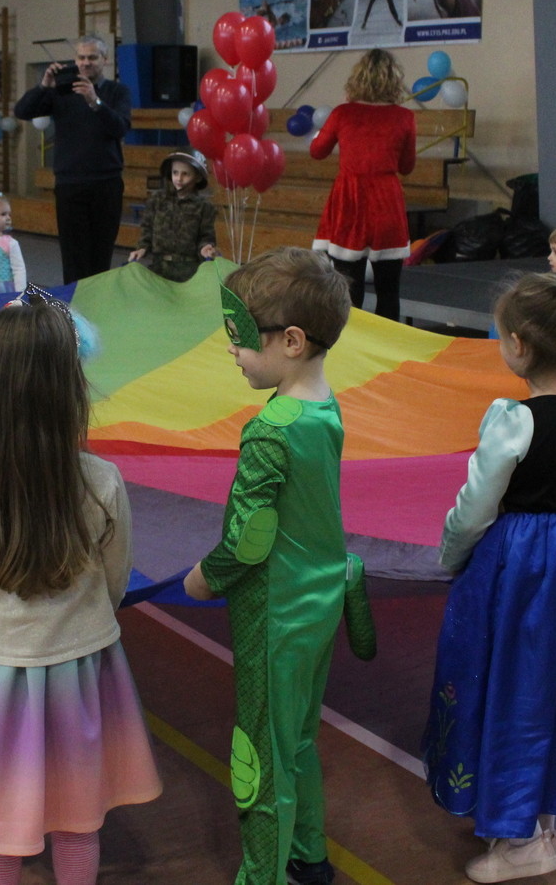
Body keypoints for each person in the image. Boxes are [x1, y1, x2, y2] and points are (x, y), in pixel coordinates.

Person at [0, 287, 161, 885]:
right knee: (78, 815)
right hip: (78, 670)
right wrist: (90, 623)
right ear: (70, 389)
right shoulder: (102, 481)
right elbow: (115, 579)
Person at [423, 272, 556, 884]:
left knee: (511, 685)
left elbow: (476, 505)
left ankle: (521, 838)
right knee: (551, 681)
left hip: (521, 563)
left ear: (519, 346)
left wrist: (452, 554)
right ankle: (536, 816)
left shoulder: (515, 421)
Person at [182, 247, 353, 885]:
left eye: (241, 336)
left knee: (259, 752)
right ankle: (307, 855)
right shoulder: (324, 407)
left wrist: (204, 578)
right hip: (319, 601)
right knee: (297, 737)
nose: (232, 350)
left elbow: (247, 540)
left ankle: (263, 876)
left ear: (291, 341)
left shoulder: (269, 430)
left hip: (274, 614)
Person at [13, 35, 132, 283]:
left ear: (105, 60)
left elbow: (120, 127)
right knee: (73, 255)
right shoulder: (61, 92)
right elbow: (22, 111)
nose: (86, 62)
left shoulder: (117, 91)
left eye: (92, 57)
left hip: (106, 183)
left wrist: (94, 101)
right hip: (70, 183)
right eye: (81, 57)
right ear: (75, 60)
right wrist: (44, 86)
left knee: (101, 253)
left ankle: (98, 303)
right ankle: (73, 303)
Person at [310, 49, 417, 321]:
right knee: (389, 291)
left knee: (349, 289)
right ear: (394, 81)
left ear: (356, 79)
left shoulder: (343, 113)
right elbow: (406, 167)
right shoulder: (405, 117)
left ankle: (351, 342)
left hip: (350, 201)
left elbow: (317, 151)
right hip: (387, 202)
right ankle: (387, 343)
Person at [128, 150, 217, 283]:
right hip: (158, 268)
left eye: (185, 174)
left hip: (189, 271)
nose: (179, 179)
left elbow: (206, 236)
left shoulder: (204, 207)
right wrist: (142, 248)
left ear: (198, 177)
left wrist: (205, 248)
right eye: (175, 172)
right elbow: (147, 229)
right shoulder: (157, 200)